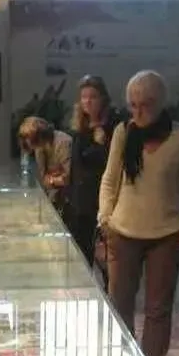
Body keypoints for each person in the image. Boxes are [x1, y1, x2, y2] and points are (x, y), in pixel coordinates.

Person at [98, 70, 179, 356]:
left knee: (158, 308)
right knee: (120, 303)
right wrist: (104, 218)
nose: (138, 112)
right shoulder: (124, 132)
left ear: (160, 103)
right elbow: (109, 179)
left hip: (166, 235)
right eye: (133, 105)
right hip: (122, 231)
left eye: (145, 104)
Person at [69, 75, 121, 273]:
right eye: (84, 97)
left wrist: (100, 144)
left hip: (103, 201)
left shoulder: (113, 127)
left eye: (92, 97)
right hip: (80, 203)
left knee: (108, 260)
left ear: (103, 99)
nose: (87, 101)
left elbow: (112, 163)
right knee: (82, 259)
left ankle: (110, 292)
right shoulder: (79, 129)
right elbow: (76, 166)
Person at [18, 116, 72, 217]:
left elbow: (69, 178)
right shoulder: (39, 147)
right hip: (53, 198)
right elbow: (44, 179)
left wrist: (52, 180)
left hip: (68, 201)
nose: (33, 147)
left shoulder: (63, 142)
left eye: (32, 141)